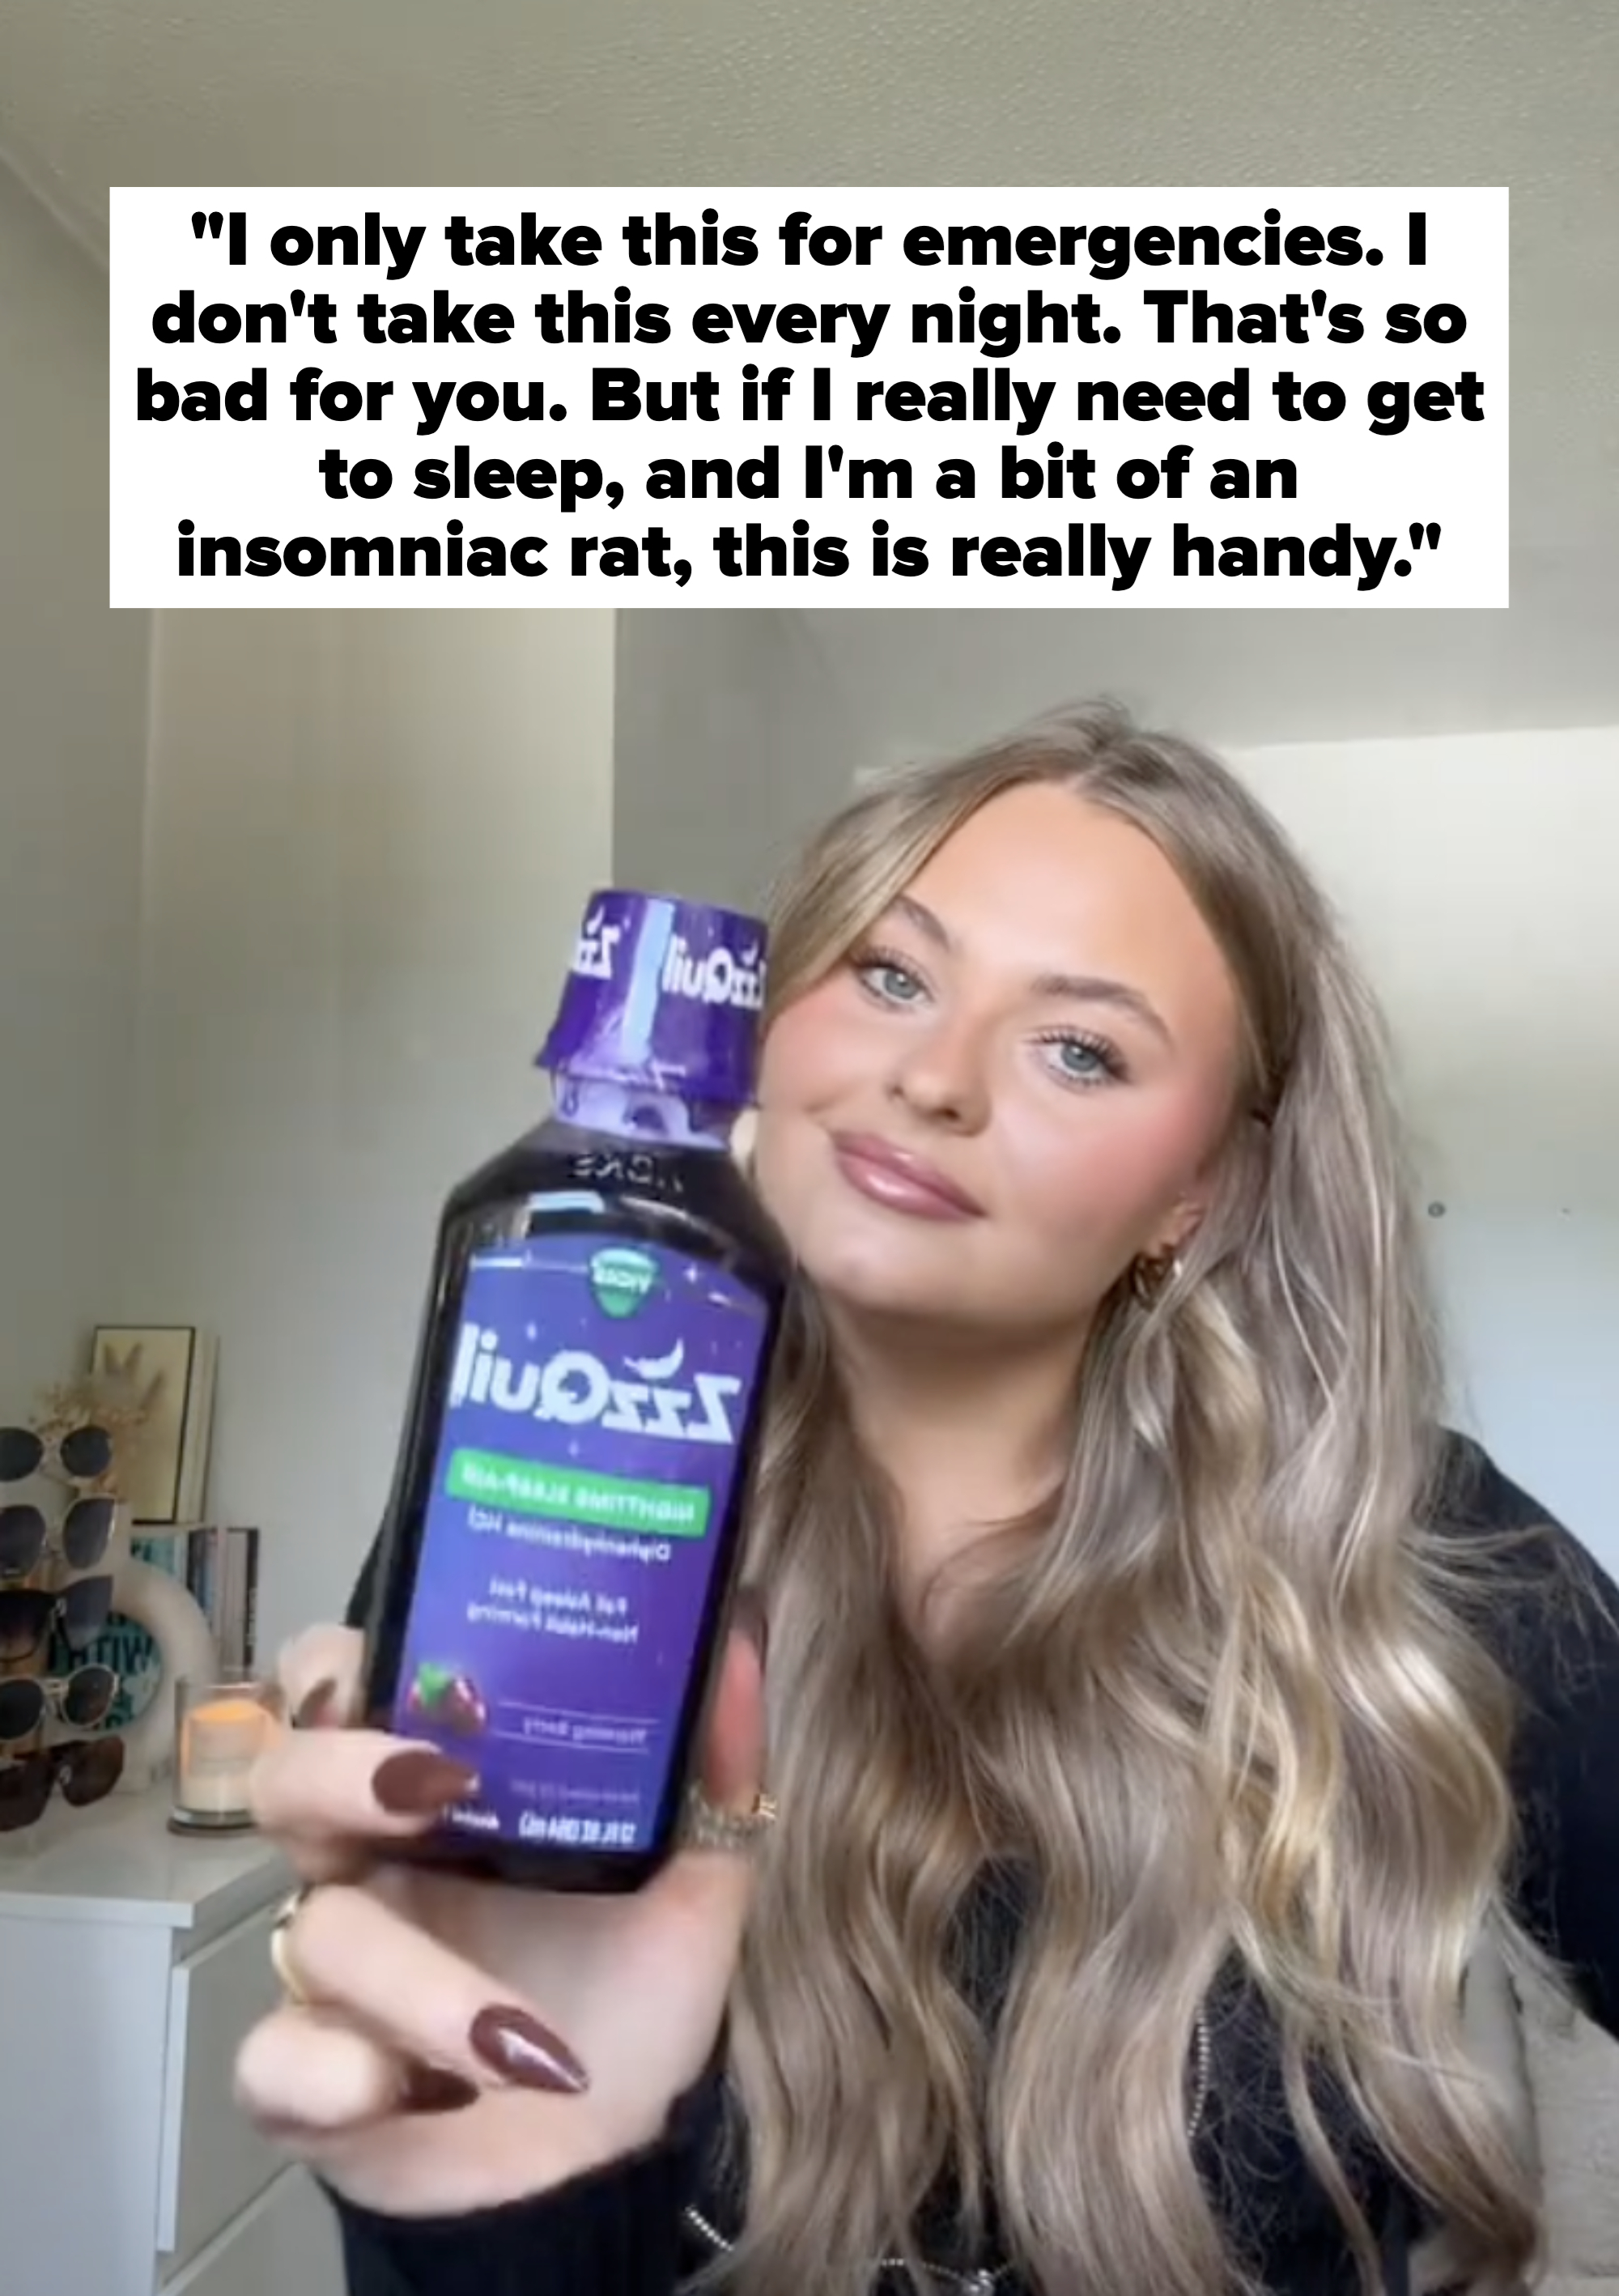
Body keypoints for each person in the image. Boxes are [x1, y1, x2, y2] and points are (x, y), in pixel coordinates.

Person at [237, 704, 1619, 2296]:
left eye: (1078, 1045)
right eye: (892, 974)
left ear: (1196, 1195)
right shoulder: (542, 1508)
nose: (931, 1078)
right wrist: (491, 2216)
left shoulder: (1416, 1547)